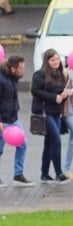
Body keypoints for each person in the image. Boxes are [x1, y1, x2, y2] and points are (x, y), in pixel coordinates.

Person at [31, 49, 73, 183]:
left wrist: (65, 95)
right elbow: (35, 91)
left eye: (57, 59)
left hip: (56, 112)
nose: (55, 62)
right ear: (47, 61)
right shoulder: (40, 74)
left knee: (49, 143)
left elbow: (60, 94)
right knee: (56, 141)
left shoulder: (61, 75)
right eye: (52, 60)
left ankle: (44, 173)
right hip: (45, 112)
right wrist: (54, 97)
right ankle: (58, 173)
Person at [0, 55, 29, 185]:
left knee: (22, 144)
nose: (23, 71)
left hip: (13, 118)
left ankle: (18, 174)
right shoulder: (1, 79)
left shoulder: (14, 78)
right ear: (13, 68)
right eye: (21, 68)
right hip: (3, 120)